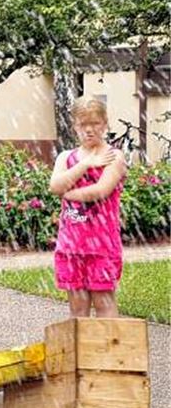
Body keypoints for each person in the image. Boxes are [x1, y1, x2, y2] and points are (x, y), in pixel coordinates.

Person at [49, 96, 127, 317]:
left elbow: (101, 190)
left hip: (102, 245)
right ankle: (80, 342)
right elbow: (55, 186)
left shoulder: (113, 157)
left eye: (95, 123)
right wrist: (84, 164)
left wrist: (69, 194)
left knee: (104, 302)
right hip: (71, 246)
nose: (89, 129)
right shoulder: (66, 157)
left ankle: (107, 340)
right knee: (78, 305)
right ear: (75, 126)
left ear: (105, 123)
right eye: (83, 124)